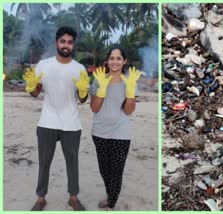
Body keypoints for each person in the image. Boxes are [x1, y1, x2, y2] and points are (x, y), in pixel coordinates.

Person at [23, 26, 89, 211]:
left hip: (71, 123)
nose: (66, 45)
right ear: (56, 43)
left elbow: (82, 99)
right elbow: (35, 93)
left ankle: (73, 197)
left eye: (69, 42)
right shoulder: (44, 65)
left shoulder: (79, 68)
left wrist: (83, 90)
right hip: (47, 122)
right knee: (44, 162)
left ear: (73, 45)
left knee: (72, 163)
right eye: (63, 41)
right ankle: (41, 198)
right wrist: (30, 86)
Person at [89, 44, 140, 210]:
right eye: (112, 58)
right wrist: (102, 89)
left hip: (121, 133)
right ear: (107, 61)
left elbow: (128, 110)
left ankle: (111, 203)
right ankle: (110, 195)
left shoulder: (130, 80)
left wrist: (130, 91)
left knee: (116, 173)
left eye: (119, 58)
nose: (115, 61)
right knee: (105, 170)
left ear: (124, 61)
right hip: (99, 132)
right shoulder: (98, 79)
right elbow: (94, 108)